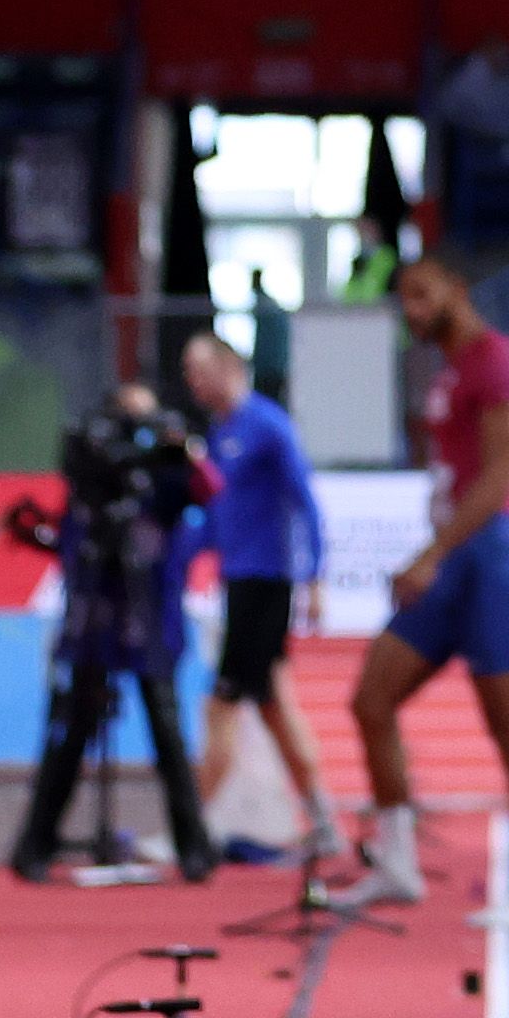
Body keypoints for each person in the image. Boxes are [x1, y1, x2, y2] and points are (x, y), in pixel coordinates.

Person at [348, 254, 509, 930]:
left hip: (488, 567)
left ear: (458, 289)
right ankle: (398, 864)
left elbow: (500, 479)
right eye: (403, 299)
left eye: (421, 293)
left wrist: (431, 554)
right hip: (449, 565)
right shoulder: (449, 372)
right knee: (370, 700)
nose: (410, 309)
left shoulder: (497, 363)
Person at [2, 382, 217, 884]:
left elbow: (210, 489)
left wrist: (180, 448)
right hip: (95, 615)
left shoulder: (167, 474)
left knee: (167, 731)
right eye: (125, 419)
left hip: (149, 617)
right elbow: (73, 539)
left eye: (144, 421)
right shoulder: (91, 481)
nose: (131, 435)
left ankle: (194, 847)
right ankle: (36, 843)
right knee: (72, 728)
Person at [179, 332, 339, 873]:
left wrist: (314, 578)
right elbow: (219, 517)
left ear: (228, 367)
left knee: (220, 705)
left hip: (266, 583)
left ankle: (190, 830)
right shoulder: (220, 431)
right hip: (238, 580)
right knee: (274, 710)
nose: (190, 382)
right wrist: (180, 561)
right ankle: (326, 824)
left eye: (198, 370)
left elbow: (305, 501)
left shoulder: (266, 424)